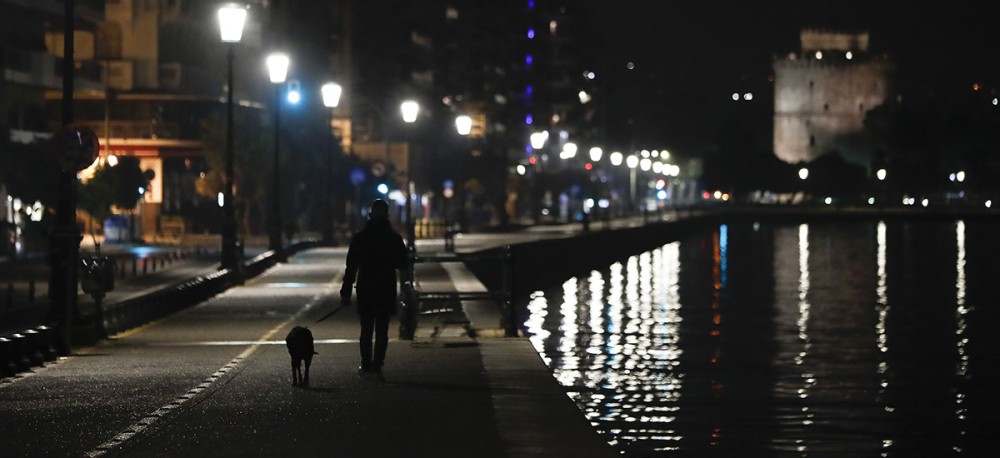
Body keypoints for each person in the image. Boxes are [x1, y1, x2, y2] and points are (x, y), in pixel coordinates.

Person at [340, 199, 408, 381]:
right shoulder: (394, 238)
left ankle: (366, 363)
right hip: (386, 286)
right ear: (387, 216)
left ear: (369, 216)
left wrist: (346, 292)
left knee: (366, 328)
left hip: (366, 286)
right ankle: (378, 365)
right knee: (382, 329)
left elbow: (351, 267)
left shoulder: (360, 238)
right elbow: (403, 264)